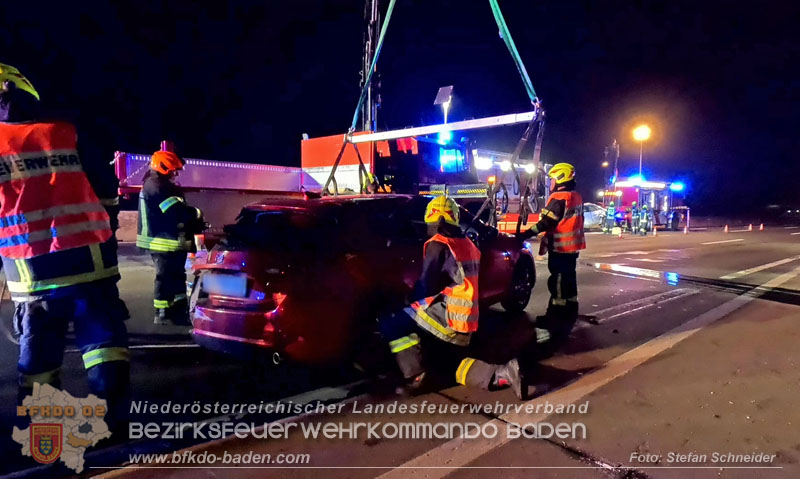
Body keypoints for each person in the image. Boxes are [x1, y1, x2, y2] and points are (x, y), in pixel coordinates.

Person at [0, 63, 130, 429]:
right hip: (92, 264)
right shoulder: (65, 132)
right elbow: (106, 190)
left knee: (39, 360)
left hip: (32, 276)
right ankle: (114, 428)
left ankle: (41, 436)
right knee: (105, 347)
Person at [378, 195, 526, 399]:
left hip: (445, 314)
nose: (428, 228)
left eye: (430, 223)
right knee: (452, 364)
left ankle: (415, 375)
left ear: (438, 221)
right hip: (465, 319)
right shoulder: (467, 244)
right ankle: (504, 373)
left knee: (391, 324)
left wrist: (409, 301)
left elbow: (425, 285)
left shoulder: (438, 244)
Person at [518, 162, 585, 351]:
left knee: (558, 283)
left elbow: (546, 222)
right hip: (572, 247)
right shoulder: (576, 196)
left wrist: (523, 234)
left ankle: (556, 318)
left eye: (554, 178)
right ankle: (570, 313)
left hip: (561, 248)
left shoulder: (559, 197)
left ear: (561, 178)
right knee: (569, 283)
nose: (552, 182)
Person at [136, 150, 204, 325]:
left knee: (176, 276)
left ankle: (177, 309)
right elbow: (176, 212)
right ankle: (163, 312)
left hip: (171, 242)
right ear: (163, 167)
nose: (176, 174)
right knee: (165, 277)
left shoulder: (161, 185)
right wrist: (196, 213)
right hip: (161, 242)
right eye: (173, 171)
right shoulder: (156, 186)